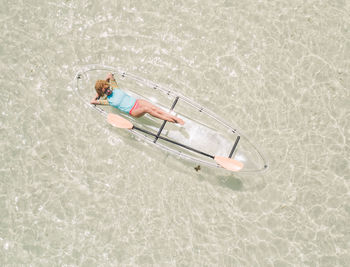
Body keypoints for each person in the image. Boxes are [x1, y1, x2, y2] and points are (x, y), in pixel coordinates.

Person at [91, 73, 184, 125]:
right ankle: (170, 120)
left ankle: (174, 117)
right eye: (105, 91)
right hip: (133, 111)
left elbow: (109, 75)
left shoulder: (114, 87)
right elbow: (92, 101)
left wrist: (104, 83)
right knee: (147, 109)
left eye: (107, 88)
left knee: (155, 108)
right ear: (103, 93)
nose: (108, 91)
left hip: (137, 102)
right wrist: (99, 93)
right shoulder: (108, 101)